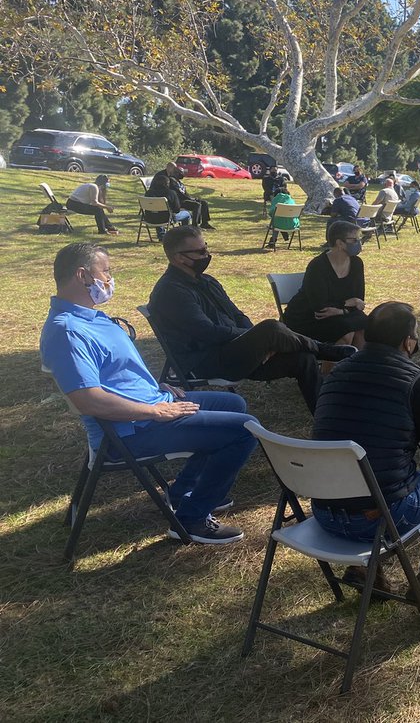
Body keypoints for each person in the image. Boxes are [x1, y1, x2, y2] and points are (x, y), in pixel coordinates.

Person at [40, 241, 258, 544]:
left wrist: (154, 390)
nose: (109, 278)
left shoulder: (88, 316)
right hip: (129, 431)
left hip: (148, 408)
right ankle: (191, 519)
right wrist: (156, 411)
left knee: (233, 403)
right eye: (106, 271)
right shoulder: (68, 331)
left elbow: (114, 373)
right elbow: (87, 399)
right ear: (83, 276)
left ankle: (182, 492)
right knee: (244, 432)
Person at [311, 302, 420, 620]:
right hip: (376, 522)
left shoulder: (335, 375)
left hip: (324, 513)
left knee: (379, 475)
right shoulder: (417, 381)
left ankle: (367, 569)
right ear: (408, 341)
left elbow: (352, 428)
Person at [148, 226, 354, 413]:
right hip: (206, 360)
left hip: (234, 352)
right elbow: (207, 332)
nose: (207, 255)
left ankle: (323, 415)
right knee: (271, 327)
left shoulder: (207, 281)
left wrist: (258, 341)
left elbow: (237, 315)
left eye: (206, 248)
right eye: (200, 252)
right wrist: (257, 337)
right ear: (178, 258)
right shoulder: (172, 292)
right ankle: (324, 350)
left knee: (303, 358)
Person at [282, 221, 368, 348]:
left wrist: (341, 310)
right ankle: (332, 368)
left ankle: (358, 366)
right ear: (339, 243)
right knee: (347, 332)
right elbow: (320, 307)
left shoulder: (356, 263)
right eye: (354, 240)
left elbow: (359, 301)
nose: (358, 243)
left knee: (365, 326)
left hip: (340, 315)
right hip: (307, 318)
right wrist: (348, 303)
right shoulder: (318, 266)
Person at [148, 162, 214, 230]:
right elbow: (179, 196)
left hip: (151, 217)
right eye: (178, 172)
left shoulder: (178, 181)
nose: (182, 174)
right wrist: (190, 199)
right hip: (179, 201)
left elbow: (184, 192)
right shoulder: (169, 180)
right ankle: (194, 226)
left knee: (203, 202)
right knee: (196, 206)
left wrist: (192, 198)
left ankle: (204, 223)